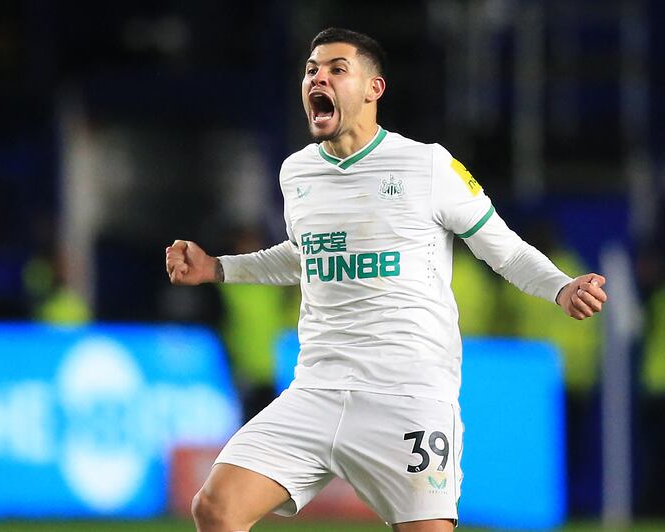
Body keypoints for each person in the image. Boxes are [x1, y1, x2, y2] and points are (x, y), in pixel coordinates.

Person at [165, 27, 607, 532]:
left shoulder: (428, 166)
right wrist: (218, 267)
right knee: (215, 507)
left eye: (336, 69)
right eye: (311, 69)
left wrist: (560, 286)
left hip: (408, 395)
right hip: (316, 388)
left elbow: (502, 249)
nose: (318, 78)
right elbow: (307, 256)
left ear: (374, 89)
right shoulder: (297, 173)